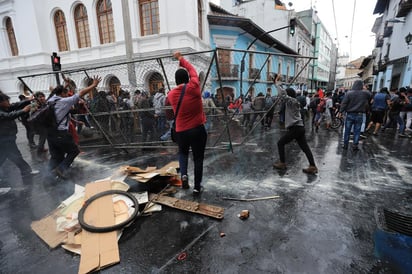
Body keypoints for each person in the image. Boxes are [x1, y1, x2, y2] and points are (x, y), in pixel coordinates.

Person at [167, 51, 207, 195]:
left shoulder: (170, 95)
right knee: (198, 158)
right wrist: (180, 59)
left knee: (183, 154)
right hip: (197, 129)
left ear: (176, 81)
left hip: (181, 131)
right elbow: (193, 71)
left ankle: (183, 175)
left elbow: (169, 113)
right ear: (187, 79)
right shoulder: (194, 87)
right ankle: (197, 187)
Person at [47, 76, 101, 179]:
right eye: (66, 93)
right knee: (74, 151)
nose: (67, 95)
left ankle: (48, 176)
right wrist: (93, 85)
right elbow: (80, 93)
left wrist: (66, 85)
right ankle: (61, 169)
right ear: (62, 94)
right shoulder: (63, 102)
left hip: (50, 134)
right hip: (61, 133)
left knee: (56, 156)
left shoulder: (50, 100)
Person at [272, 74, 318, 174]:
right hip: (299, 128)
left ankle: (282, 163)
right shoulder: (293, 101)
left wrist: (277, 84)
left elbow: (283, 95)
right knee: (305, 147)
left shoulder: (292, 101)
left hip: (295, 128)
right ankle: (313, 166)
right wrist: (278, 84)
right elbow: (284, 95)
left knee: (280, 143)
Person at [0, 91, 39, 178]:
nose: (9, 102)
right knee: (12, 156)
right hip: (3, 140)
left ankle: (26, 172)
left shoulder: (4, 107)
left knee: (15, 156)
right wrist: (24, 110)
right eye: (6, 100)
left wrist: (27, 100)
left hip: (8, 139)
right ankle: (26, 171)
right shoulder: (1, 111)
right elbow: (9, 116)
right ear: (1, 102)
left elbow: (15, 105)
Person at [339, 80, 371, 151]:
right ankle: (355, 145)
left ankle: (345, 145)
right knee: (357, 131)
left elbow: (344, 103)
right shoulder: (365, 93)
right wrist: (364, 89)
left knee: (347, 130)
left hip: (350, 114)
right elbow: (370, 97)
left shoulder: (349, 93)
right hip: (360, 114)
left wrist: (340, 112)